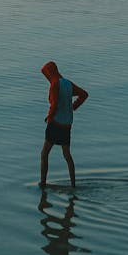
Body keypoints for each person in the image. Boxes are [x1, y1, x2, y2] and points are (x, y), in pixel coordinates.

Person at [39, 61, 88, 189]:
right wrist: (73, 107)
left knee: (44, 154)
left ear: (50, 73)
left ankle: (43, 183)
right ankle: (73, 185)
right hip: (67, 125)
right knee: (67, 155)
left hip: (55, 124)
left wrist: (49, 116)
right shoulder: (67, 83)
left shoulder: (54, 84)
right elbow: (84, 94)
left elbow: (54, 104)